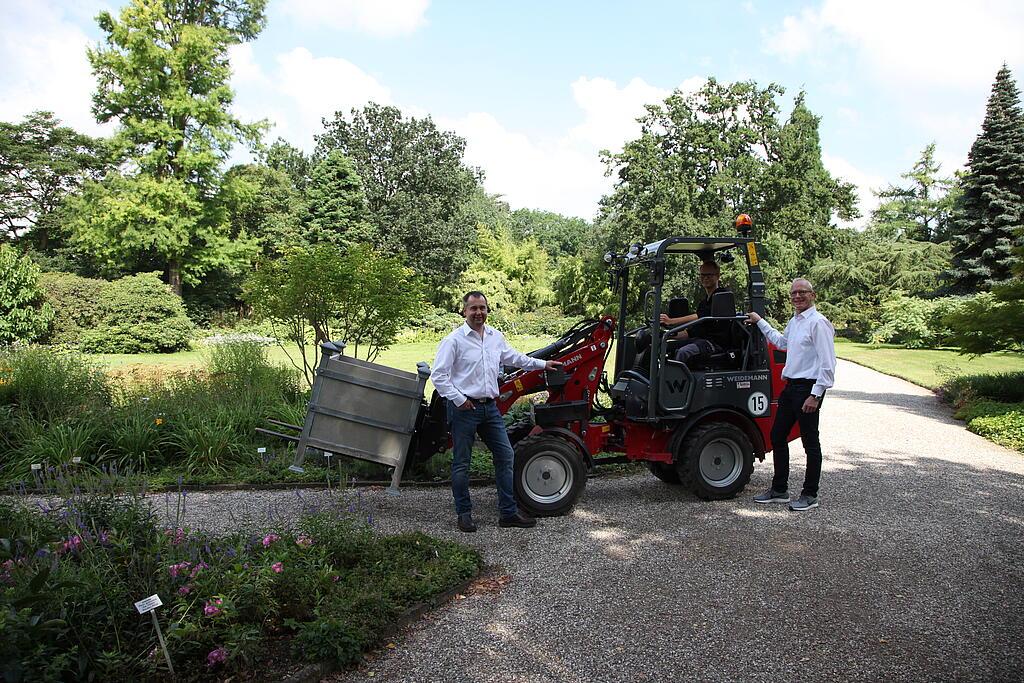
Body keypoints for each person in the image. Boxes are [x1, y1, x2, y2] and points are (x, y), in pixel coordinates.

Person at [431, 291, 563, 532]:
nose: (478, 313)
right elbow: (438, 376)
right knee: (462, 463)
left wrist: (544, 364)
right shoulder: (454, 341)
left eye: (482, 308)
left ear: (487, 310)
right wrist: (459, 400)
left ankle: (508, 512)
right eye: (474, 308)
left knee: (505, 455)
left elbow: (515, 358)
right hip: (464, 409)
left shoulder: (495, 337)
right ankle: (464, 513)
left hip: (489, 408)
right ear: (464, 311)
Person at [747, 278, 836, 512]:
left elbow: (828, 364)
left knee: (810, 442)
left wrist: (815, 395)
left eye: (802, 292)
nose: (797, 297)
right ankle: (779, 490)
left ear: (812, 295)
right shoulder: (796, 322)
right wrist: (760, 322)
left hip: (809, 388)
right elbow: (781, 342)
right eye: (794, 293)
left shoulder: (818, 323)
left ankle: (810, 494)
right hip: (792, 386)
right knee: (777, 436)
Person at [661, 260, 732, 365]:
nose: (705, 277)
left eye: (709, 275)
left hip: (715, 344)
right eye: (703, 275)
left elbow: (700, 316)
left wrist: (671, 321)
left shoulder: (722, 295)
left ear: (717, 276)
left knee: (683, 352)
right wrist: (666, 335)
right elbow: (691, 332)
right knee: (663, 347)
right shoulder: (703, 302)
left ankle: (676, 380)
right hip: (700, 340)